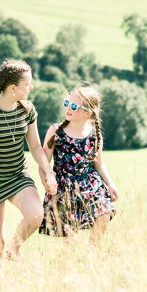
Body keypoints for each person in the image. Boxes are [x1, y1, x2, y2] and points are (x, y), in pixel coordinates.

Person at [0, 59, 57, 262]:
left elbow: (34, 147)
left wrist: (48, 171)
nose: (31, 87)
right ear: (13, 88)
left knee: (36, 215)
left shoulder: (27, 110)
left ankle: (13, 251)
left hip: (18, 176)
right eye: (28, 83)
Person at [38, 84, 119, 246]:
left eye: (74, 106)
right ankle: (72, 266)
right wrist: (47, 182)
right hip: (63, 188)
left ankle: (93, 252)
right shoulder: (56, 131)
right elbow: (43, 163)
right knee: (70, 240)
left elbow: (99, 164)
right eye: (66, 103)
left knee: (104, 212)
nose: (68, 108)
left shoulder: (94, 134)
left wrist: (110, 184)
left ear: (87, 113)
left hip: (90, 184)